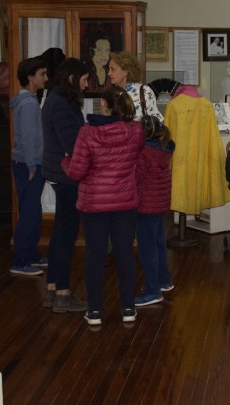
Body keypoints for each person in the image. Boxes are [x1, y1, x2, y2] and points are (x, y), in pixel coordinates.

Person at [63, 86, 145, 325]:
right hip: (125, 203)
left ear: (104, 105)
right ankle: (128, 308)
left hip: (94, 204)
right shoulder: (135, 132)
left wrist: (64, 161)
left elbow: (77, 172)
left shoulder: (87, 133)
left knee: (95, 256)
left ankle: (95, 311)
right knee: (125, 254)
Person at [41, 58, 89, 313]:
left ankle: (51, 289)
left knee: (60, 232)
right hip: (66, 176)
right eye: (83, 80)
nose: (86, 84)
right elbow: (73, 146)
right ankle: (63, 293)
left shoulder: (56, 98)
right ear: (72, 79)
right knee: (66, 234)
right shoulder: (61, 104)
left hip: (59, 173)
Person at [9, 56, 48, 276]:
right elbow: (29, 140)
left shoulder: (27, 100)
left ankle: (30, 254)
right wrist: (33, 167)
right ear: (30, 77)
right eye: (42, 74)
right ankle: (20, 260)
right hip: (28, 165)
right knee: (29, 213)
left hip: (27, 163)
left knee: (32, 211)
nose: (45, 78)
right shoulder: (29, 104)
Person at [134, 115, 175, 306]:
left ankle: (152, 290)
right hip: (158, 205)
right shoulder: (163, 148)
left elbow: (137, 178)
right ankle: (163, 280)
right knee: (158, 242)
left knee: (147, 248)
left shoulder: (144, 152)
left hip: (145, 205)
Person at [108, 51, 163, 123]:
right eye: (108, 69)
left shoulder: (144, 91)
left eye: (113, 69)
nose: (109, 73)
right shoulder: (110, 93)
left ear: (126, 71)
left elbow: (157, 121)